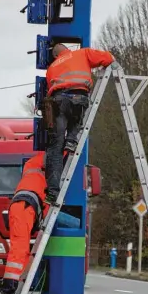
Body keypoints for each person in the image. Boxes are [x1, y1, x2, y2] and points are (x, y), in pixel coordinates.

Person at [44, 44, 115, 204]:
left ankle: (53, 192)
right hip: (78, 97)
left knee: (55, 149)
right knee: (78, 115)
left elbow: (51, 87)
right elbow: (108, 58)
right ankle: (72, 139)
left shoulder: (51, 68)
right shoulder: (82, 53)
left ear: (55, 56)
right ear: (67, 49)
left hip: (58, 101)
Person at [0, 151, 50, 294]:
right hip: (25, 207)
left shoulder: (32, 166)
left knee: (22, 249)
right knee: (19, 248)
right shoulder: (42, 165)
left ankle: (12, 287)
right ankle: (8, 289)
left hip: (23, 206)